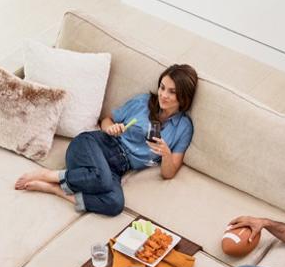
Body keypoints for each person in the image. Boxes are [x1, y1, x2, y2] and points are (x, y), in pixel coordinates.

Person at [14, 64, 198, 215]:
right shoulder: (143, 102)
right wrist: (111, 128)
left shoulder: (184, 127)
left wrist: (166, 154)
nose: (163, 95)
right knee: (101, 179)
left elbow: (169, 173)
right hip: (94, 145)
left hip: (117, 168)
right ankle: (48, 175)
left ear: (184, 97)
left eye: (172, 92)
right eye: (162, 87)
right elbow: (106, 120)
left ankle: (55, 189)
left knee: (115, 204)